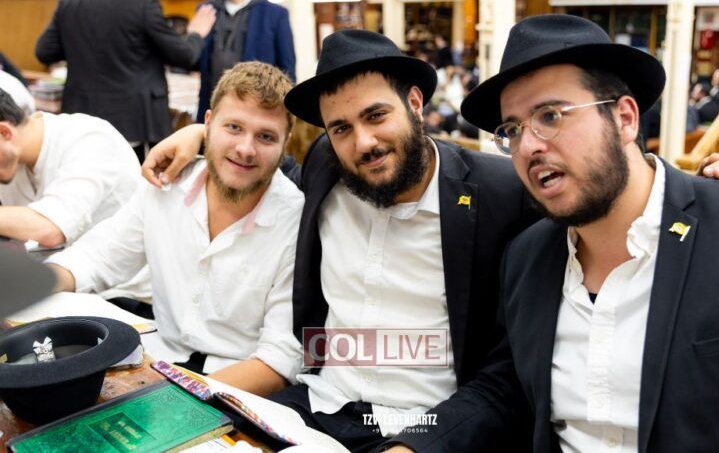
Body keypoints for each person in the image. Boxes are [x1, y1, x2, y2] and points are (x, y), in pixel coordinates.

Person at [143, 30, 537, 452]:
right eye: (341, 128)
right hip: (316, 405)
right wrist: (201, 135)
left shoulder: (499, 194)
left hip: (426, 424)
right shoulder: (325, 165)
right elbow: (259, 158)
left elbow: (508, 373)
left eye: (376, 115)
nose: (363, 142)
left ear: (415, 104)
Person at [460, 13, 719, 452]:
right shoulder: (527, 259)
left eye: (550, 115)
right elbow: (507, 390)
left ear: (624, 118)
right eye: (512, 130)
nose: (528, 146)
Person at [46, 62, 304, 396]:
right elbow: (95, 259)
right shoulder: (165, 186)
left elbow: (279, 359)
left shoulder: (295, 221)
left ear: (285, 143)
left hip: (236, 384)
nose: (245, 148)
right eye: (234, 127)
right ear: (207, 124)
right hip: (157, 359)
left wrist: (176, 397)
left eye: (265, 136)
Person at [35, 0, 216, 161]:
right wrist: (196, 34)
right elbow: (183, 55)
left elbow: (44, 51)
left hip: (81, 123)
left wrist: (80, 47)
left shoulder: (70, 1)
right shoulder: (143, 4)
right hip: (131, 125)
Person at [0, 88, 148, 303]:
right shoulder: (10, 160)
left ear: (5, 132)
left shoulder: (90, 139)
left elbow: (50, 228)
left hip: (122, 294)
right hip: (57, 281)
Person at [194, 0, 296, 123]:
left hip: (258, 115)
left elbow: (287, 71)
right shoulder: (206, 11)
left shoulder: (275, 15)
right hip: (213, 113)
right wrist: (191, 37)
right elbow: (192, 62)